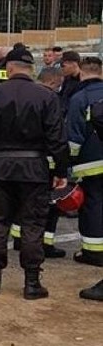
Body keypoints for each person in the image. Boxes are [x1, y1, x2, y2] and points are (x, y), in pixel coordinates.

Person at [0, 44, 69, 299]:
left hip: (1, 168)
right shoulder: (46, 97)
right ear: (31, 69)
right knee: (33, 225)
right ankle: (32, 283)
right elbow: (58, 138)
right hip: (34, 169)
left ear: (9, 68)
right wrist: (61, 169)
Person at [9, 65, 67, 258]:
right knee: (47, 205)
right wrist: (62, 168)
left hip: (16, 160)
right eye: (58, 85)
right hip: (43, 162)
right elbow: (56, 136)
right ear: (52, 82)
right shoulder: (50, 100)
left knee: (20, 201)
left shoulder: (25, 97)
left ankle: (18, 238)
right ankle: (44, 244)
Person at [66, 56, 103, 267]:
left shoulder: (80, 98)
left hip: (90, 164)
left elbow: (74, 137)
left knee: (92, 205)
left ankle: (93, 251)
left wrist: (67, 163)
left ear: (80, 71)